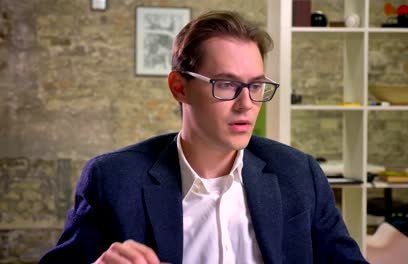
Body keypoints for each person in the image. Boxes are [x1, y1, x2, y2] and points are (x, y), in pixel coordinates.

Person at [40, 10, 368, 264]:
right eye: (226, 84)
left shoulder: (299, 174)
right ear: (179, 87)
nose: (247, 104)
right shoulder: (113, 180)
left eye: (255, 86)